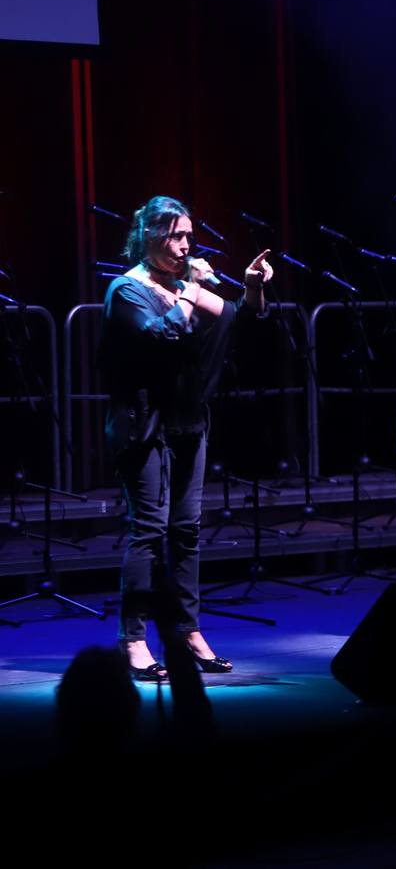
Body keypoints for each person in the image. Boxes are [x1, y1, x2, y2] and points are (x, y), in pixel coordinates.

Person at [101, 195, 274, 679]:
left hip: (187, 420)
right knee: (150, 531)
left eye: (188, 238)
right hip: (144, 422)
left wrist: (251, 288)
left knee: (186, 531)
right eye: (175, 236)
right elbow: (162, 334)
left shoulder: (184, 286)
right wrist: (189, 291)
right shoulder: (127, 291)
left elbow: (241, 321)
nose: (184, 247)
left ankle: (186, 631)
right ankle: (133, 640)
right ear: (150, 237)